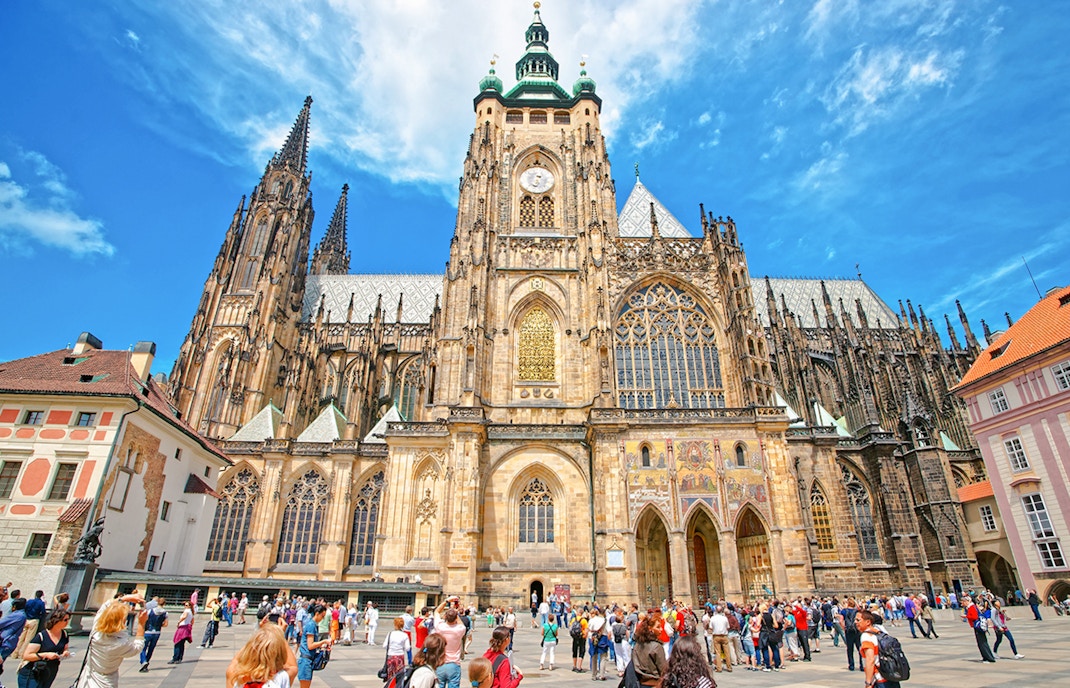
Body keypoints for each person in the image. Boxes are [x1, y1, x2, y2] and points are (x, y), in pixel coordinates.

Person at [80, 594, 147, 688]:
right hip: (106, 681)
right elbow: (137, 647)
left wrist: (123, 598)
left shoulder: (96, 632)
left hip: (88, 676)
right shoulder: (120, 643)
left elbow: (104, 607)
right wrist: (141, 624)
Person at [226, 624, 296, 688]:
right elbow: (292, 666)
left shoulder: (236, 677)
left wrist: (257, 638)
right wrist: (279, 635)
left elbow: (235, 661)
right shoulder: (279, 678)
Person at [17, 608, 71, 688]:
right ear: (56, 620)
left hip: (50, 670)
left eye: (68, 619)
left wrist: (65, 652)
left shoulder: (64, 634)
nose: (67, 622)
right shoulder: (41, 636)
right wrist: (45, 655)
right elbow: (26, 656)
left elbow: (65, 648)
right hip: (33, 672)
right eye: (65, 620)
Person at [856, 609, 899, 688]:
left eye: (858, 620)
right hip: (890, 675)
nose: (855, 622)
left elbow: (870, 660)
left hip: (879, 678)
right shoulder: (879, 632)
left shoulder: (866, 636)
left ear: (868, 622)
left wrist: (868, 682)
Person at [433, 598, 467, 688]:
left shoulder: (440, 627)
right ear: (456, 618)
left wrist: (446, 601)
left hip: (440, 662)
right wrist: (455, 612)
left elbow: (436, 611)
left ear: (445, 617)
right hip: (454, 664)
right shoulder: (460, 630)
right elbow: (461, 624)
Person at [297, 603, 331, 688]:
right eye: (322, 616)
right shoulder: (311, 625)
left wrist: (321, 646)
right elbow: (310, 645)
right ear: (317, 614)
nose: (322, 619)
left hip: (308, 660)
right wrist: (323, 642)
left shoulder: (313, 625)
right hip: (306, 660)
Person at [631, 615, 667, 687]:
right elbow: (663, 669)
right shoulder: (656, 647)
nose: (661, 629)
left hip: (640, 683)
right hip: (655, 683)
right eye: (658, 627)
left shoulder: (637, 645)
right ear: (650, 629)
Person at [962, 596, 996, 663]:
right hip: (977, 626)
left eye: (963, 602)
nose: (962, 604)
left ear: (967, 601)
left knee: (982, 643)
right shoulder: (971, 607)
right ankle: (986, 657)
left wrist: (966, 616)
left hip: (978, 626)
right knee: (981, 643)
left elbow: (975, 616)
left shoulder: (971, 607)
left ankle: (988, 658)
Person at [138, 597, 168, 672]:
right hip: (157, 632)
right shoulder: (165, 613)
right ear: (164, 604)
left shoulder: (150, 611)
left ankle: (144, 661)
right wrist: (159, 624)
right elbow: (165, 624)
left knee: (143, 648)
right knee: (151, 648)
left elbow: (144, 619)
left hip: (148, 631)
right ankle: (147, 661)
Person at [383, 617, 411, 686]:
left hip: (391, 656)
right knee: (400, 676)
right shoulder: (404, 635)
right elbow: (408, 648)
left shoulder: (390, 634)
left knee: (391, 676)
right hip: (399, 657)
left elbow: (384, 645)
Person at [840, 598, 862, 672]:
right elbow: (860, 609)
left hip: (848, 631)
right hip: (857, 631)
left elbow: (840, 621)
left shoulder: (844, 611)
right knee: (860, 648)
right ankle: (862, 665)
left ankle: (851, 665)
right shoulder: (857, 611)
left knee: (850, 649)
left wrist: (844, 628)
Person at [707, 606, 731, 673]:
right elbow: (728, 627)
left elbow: (710, 627)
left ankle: (719, 668)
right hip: (724, 635)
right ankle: (729, 667)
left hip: (716, 636)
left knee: (718, 652)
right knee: (727, 652)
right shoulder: (725, 618)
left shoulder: (713, 618)